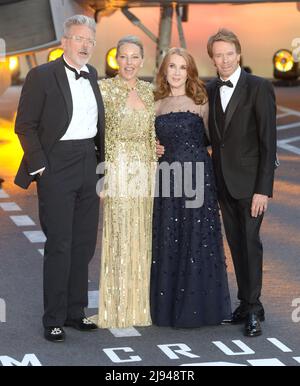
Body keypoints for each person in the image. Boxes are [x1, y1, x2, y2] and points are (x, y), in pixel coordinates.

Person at [14, 15, 105, 342]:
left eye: (89, 41)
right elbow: (24, 125)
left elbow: (99, 126)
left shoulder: (92, 74)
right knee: (60, 245)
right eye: (78, 38)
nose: (84, 45)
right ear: (64, 41)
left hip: (88, 163)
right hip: (56, 165)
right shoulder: (41, 76)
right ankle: (53, 318)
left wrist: (102, 166)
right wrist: (41, 168)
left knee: (84, 245)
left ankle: (75, 311)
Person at [150, 47, 231, 328]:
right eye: (172, 66)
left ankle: (200, 307)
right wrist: (153, 148)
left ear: (190, 72)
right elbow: (145, 139)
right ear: (164, 71)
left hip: (198, 177)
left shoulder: (200, 99)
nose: (176, 72)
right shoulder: (155, 102)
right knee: (171, 238)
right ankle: (169, 306)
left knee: (197, 238)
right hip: (167, 178)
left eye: (182, 67)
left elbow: (216, 139)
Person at [206, 29, 277, 337]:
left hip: (251, 186)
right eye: (218, 55)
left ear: (239, 54)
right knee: (236, 245)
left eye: (228, 54)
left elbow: (268, 142)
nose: (224, 59)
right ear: (212, 58)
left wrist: (264, 188)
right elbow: (212, 136)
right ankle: (247, 303)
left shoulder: (258, 87)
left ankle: (253, 309)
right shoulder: (210, 89)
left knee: (250, 246)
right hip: (223, 182)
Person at [92, 36, 156, 328]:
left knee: (143, 233)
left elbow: (156, 130)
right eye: (124, 57)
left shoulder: (151, 91)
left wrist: (158, 146)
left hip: (146, 170)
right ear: (116, 60)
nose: (129, 63)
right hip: (116, 167)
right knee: (119, 234)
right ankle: (116, 306)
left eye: (134, 57)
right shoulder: (103, 90)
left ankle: (140, 305)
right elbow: (94, 135)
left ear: (142, 61)